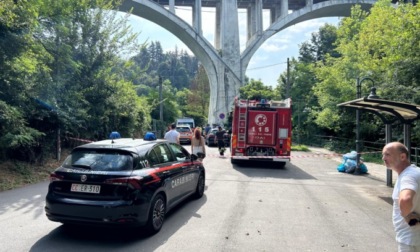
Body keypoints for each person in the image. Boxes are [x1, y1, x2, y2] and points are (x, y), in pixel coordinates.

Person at [382, 142, 420, 251]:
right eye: (383, 155)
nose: (383, 158)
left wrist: (406, 215)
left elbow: (405, 199)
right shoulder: (416, 172)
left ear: (402, 156)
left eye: (388, 154)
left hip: (410, 239)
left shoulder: (408, 176)